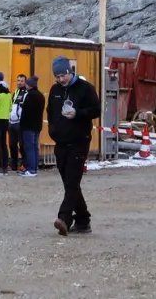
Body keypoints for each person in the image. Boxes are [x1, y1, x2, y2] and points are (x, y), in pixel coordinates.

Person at [48, 56, 100, 236]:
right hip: (60, 142)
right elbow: (51, 111)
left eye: (63, 75)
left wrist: (78, 114)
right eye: (57, 76)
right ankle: (83, 221)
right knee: (70, 184)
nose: (60, 79)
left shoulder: (85, 89)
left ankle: (64, 219)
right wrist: (53, 129)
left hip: (79, 141)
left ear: (70, 72)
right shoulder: (55, 90)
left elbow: (96, 110)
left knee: (72, 181)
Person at [17, 75, 45, 176]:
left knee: (29, 148)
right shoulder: (40, 95)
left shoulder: (30, 95)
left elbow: (27, 111)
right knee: (34, 147)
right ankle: (35, 167)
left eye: (27, 84)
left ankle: (31, 169)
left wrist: (22, 105)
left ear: (30, 85)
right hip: (37, 126)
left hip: (28, 126)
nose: (25, 85)